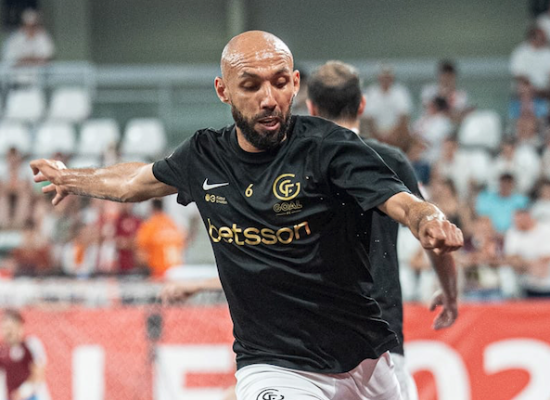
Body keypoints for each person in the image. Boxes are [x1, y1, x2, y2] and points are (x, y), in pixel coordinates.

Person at [31, 31, 463, 400]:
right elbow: (134, 182)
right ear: (223, 91)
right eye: (251, 86)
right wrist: (72, 178)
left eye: (280, 83)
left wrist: (429, 220)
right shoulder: (204, 156)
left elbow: (403, 202)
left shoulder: (330, 147)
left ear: (296, 85)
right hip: (274, 365)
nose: (268, 99)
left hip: (364, 360)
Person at [306, 60, 458, 400]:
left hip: (311, 336)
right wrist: (449, 294)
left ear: (311, 108)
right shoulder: (389, 160)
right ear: (362, 105)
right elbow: (431, 234)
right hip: (380, 332)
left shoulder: (295, 165)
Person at [0, 309, 49, 400]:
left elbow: (39, 374)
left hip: (33, 397)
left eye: (10, 328)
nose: (7, 333)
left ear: (19, 327)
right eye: (4, 328)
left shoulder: (31, 344)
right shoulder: (2, 350)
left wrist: (23, 391)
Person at [362, 64, 413, 151]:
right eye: (383, 77)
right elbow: (368, 118)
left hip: (396, 131)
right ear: (378, 78)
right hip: (376, 131)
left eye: (388, 77)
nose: (386, 80)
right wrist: (378, 134)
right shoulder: (371, 92)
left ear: (392, 78)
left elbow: (403, 116)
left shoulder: (400, 92)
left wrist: (392, 134)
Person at [136, 198, 186, 279]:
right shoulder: (172, 223)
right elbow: (183, 243)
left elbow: (140, 253)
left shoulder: (150, 225)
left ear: (152, 208)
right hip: (177, 271)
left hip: (159, 272)